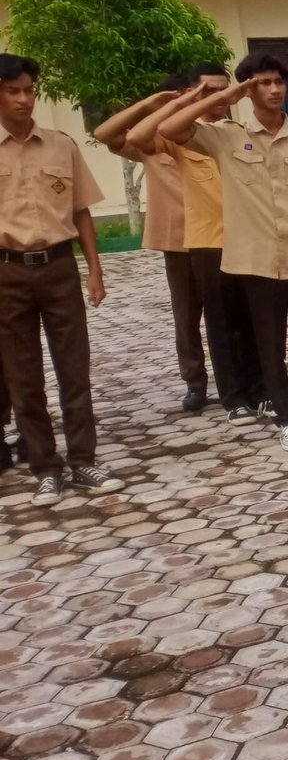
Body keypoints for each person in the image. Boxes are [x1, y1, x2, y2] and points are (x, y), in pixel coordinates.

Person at [158, 52, 288, 452]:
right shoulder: (225, 137)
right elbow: (170, 128)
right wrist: (224, 94)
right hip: (257, 263)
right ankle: (287, 417)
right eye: (262, 83)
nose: (274, 89)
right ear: (246, 89)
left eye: (278, 81)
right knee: (269, 344)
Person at [0, 53, 123, 504]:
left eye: (29, 90)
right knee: (22, 374)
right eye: (13, 91)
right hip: (6, 272)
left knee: (74, 368)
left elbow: (81, 211)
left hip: (59, 268)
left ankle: (84, 461)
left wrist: (94, 269)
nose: (23, 99)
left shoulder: (61, 145)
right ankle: (45, 467)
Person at [129, 64, 268, 428]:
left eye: (225, 90)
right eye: (209, 91)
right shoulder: (182, 135)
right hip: (208, 242)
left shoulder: (241, 132)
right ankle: (233, 397)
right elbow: (142, 134)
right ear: (193, 93)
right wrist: (185, 100)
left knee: (254, 321)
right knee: (220, 323)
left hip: (248, 237)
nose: (220, 98)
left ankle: (260, 390)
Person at [91, 75, 208, 411]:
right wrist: (150, 105)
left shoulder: (216, 135)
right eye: (194, 92)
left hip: (219, 236)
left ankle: (239, 377)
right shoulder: (152, 139)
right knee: (186, 316)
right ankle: (195, 382)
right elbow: (106, 135)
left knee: (228, 314)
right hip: (179, 240)